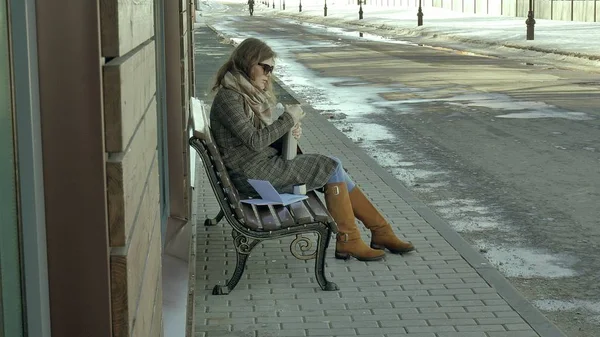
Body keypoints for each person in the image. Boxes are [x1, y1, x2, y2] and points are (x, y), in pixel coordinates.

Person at [209, 38, 414, 261]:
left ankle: (377, 232)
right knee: (331, 166)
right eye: (265, 67)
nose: (269, 74)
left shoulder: (242, 94)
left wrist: (287, 131)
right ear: (248, 62)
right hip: (254, 176)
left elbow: (255, 139)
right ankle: (354, 239)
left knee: (331, 165)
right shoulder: (230, 97)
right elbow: (255, 141)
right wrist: (289, 118)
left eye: (271, 69)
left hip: (257, 167)